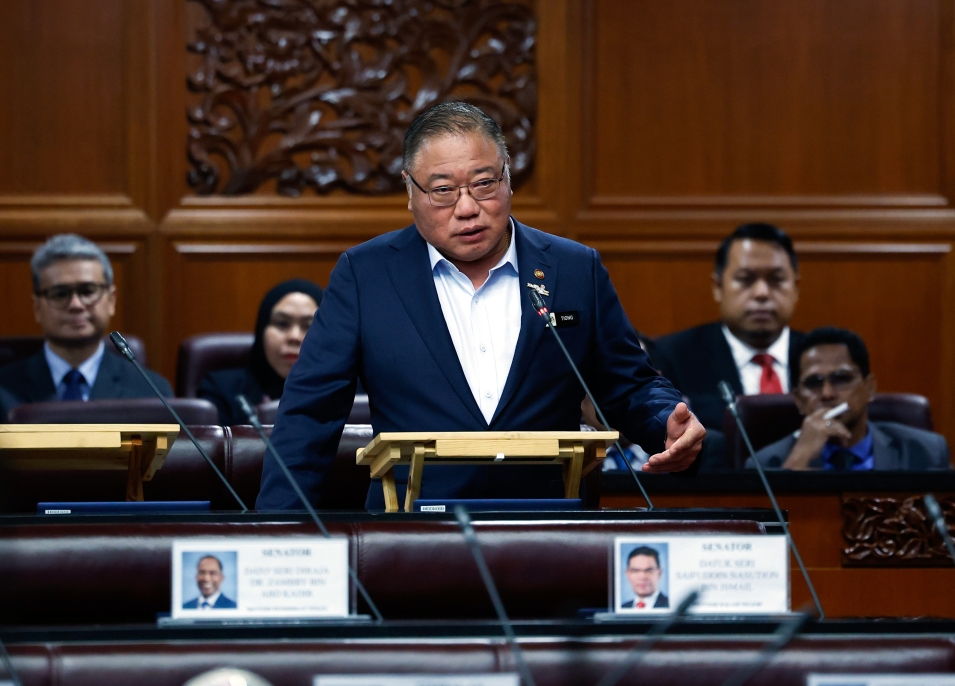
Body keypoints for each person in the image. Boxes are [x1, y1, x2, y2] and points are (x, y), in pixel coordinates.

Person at [256, 102, 706, 511]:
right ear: (410, 191)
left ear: (508, 176)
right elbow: (310, 415)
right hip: (410, 538)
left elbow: (627, 383)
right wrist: (275, 536)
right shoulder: (367, 275)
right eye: (443, 191)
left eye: (484, 184)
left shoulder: (573, 269)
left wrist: (666, 421)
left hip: (550, 530)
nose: (468, 208)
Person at [650, 224, 804, 433]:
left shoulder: (821, 358)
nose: (762, 293)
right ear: (718, 288)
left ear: (795, 288)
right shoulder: (674, 357)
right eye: (745, 279)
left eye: (776, 279)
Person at [0, 234, 172, 420]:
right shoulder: (4, 390)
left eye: (88, 291)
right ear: (37, 308)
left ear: (111, 300)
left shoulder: (152, 392)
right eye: (60, 294)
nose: (76, 305)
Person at [754, 327, 950, 471]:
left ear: (869, 388)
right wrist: (799, 460)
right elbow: (772, 525)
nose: (827, 393)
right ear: (798, 400)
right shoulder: (765, 464)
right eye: (814, 383)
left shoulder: (926, 453)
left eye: (841, 379)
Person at [197, 279, 325, 425]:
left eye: (309, 326)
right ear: (261, 329)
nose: (294, 337)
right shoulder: (221, 390)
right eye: (282, 323)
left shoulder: (351, 391)